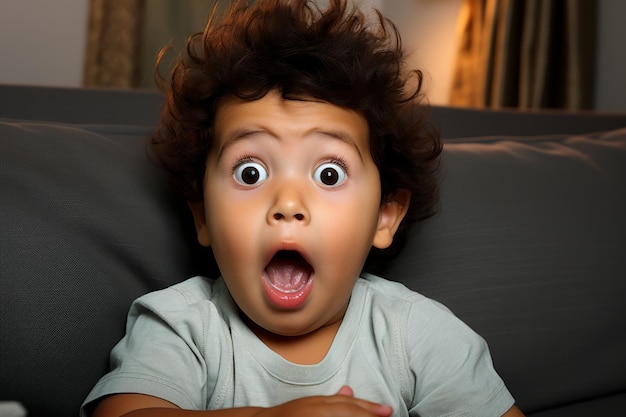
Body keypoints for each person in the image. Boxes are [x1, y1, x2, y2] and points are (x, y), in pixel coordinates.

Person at [82, 1, 525, 416]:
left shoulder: (418, 334)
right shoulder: (184, 326)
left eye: (329, 175)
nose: (288, 204)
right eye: (250, 173)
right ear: (202, 216)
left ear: (385, 215)